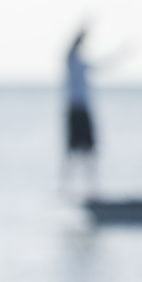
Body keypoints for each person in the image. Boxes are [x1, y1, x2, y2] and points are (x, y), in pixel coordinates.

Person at [62, 28, 97, 194]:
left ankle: (91, 188)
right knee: (72, 150)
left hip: (83, 109)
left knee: (89, 150)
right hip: (75, 109)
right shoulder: (70, 60)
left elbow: (103, 64)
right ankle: (66, 187)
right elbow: (70, 46)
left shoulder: (83, 64)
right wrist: (82, 30)